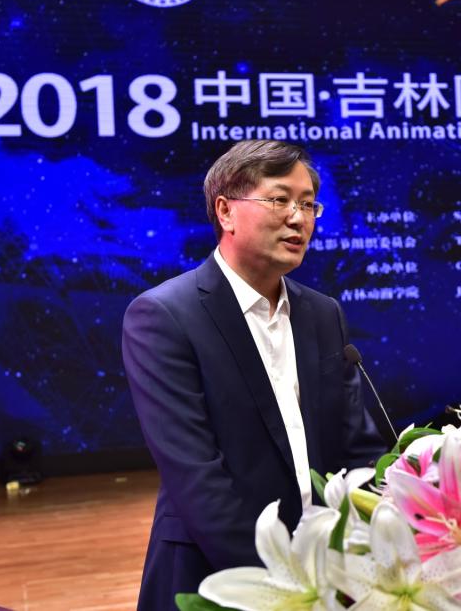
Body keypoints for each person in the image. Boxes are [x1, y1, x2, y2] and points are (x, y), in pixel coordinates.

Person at [122, 139, 387, 609]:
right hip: (215, 575)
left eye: (308, 204)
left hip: (327, 569)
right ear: (226, 211)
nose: (299, 219)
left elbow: (357, 446)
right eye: (280, 200)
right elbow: (196, 477)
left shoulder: (322, 313)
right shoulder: (164, 316)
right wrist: (278, 586)